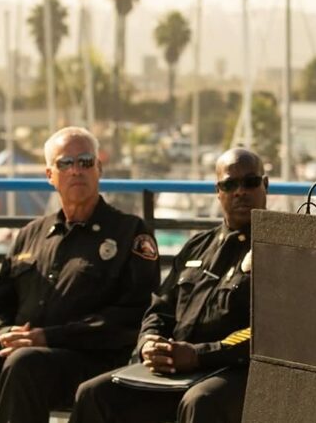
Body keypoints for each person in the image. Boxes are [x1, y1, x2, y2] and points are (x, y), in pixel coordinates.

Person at [0, 127, 161, 423]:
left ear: (99, 168)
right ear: (49, 175)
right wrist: (4, 335)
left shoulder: (129, 232)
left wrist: (48, 337)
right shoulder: (31, 234)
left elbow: (133, 316)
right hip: (19, 359)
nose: (76, 170)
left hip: (88, 363)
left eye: (85, 161)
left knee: (25, 363)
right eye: (65, 163)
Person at [69, 148, 268, 423]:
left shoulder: (278, 249)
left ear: (265, 185)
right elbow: (160, 308)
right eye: (229, 184)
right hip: (177, 366)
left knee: (200, 401)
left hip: (235, 369)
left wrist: (198, 355)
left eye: (250, 182)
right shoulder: (197, 246)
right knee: (94, 394)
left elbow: (270, 332)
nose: (240, 192)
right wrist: (149, 342)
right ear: (218, 191)